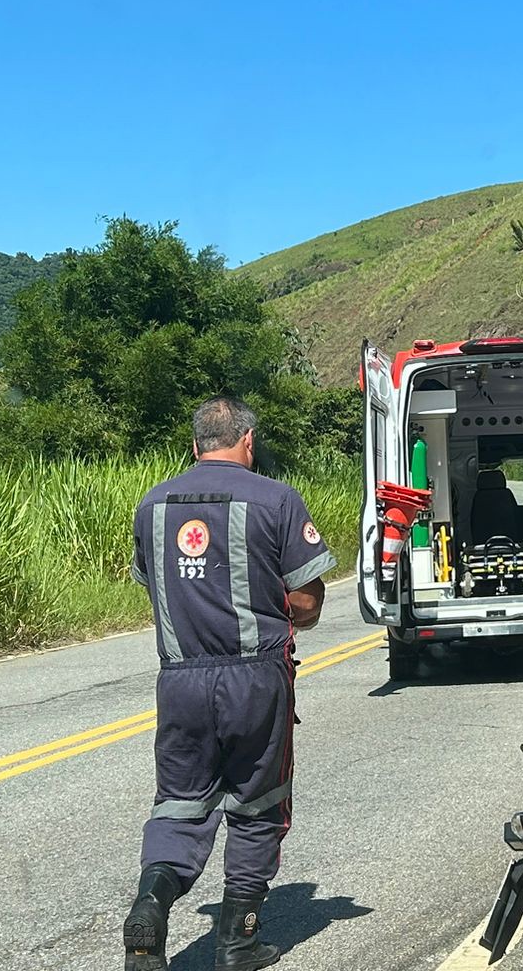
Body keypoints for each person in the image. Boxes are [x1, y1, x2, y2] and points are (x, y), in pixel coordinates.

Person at [122, 397, 332, 971]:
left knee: (180, 803)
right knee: (259, 803)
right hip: (253, 676)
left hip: (179, 678)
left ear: (195, 446)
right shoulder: (276, 499)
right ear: (248, 440)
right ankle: (238, 939)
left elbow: (159, 585)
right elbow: (306, 602)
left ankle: (152, 904)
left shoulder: (152, 505)